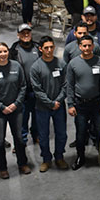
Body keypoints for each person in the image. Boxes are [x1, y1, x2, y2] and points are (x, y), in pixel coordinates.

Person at [0, 43, 29, 178]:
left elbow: (23, 86)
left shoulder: (16, 66)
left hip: (16, 109)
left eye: (5, 51)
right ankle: (2, 167)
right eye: (0, 52)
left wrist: (16, 104)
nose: (3, 54)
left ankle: (22, 163)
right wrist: (2, 107)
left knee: (19, 138)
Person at [66, 35, 100, 170]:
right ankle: (80, 157)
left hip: (98, 104)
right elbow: (70, 85)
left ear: (93, 46)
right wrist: (70, 104)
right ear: (79, 47)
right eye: (84, 46)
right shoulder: (73, 64)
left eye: (90, 45)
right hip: (80, 105)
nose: (87, 48)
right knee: (81, 133)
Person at [30, 36, 69, 172]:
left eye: (51, 47)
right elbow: (37, 90)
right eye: (46, 48)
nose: (49, 50)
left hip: (59, 107)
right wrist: (50, 103)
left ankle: (59, 157)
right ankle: (46, 159)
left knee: (62, 133)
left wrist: (57, 101)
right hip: (42, 107)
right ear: (40, 49)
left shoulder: (61, 64)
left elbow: (65, 85)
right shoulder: (36, 67)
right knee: (43, 135)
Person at [10, 24, 40, 146]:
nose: (26, 35)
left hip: (37, 90)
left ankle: (36, 135)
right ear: (18, 35)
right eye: (23, 33)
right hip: (22, 92)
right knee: (22, 118)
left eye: (28, 32)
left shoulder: (38, 47)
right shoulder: (13, 50)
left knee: (37, 116)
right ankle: (21, 140)